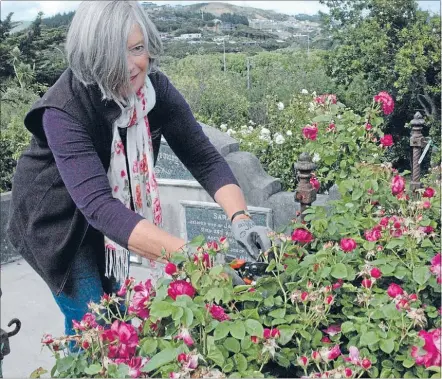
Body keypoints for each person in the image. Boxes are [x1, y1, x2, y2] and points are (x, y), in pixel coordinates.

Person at [7, 1, 271, 336]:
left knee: (117, 308)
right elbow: (100, 208)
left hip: (108, 211)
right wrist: (196, 260)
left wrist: (242, 221)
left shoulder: (154, 89)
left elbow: (203, 158)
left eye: (137, 48)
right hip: (55, 221)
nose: (132, 65)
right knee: (96, 327)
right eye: (115, 52)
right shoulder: (64, 109)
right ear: (92, 56)